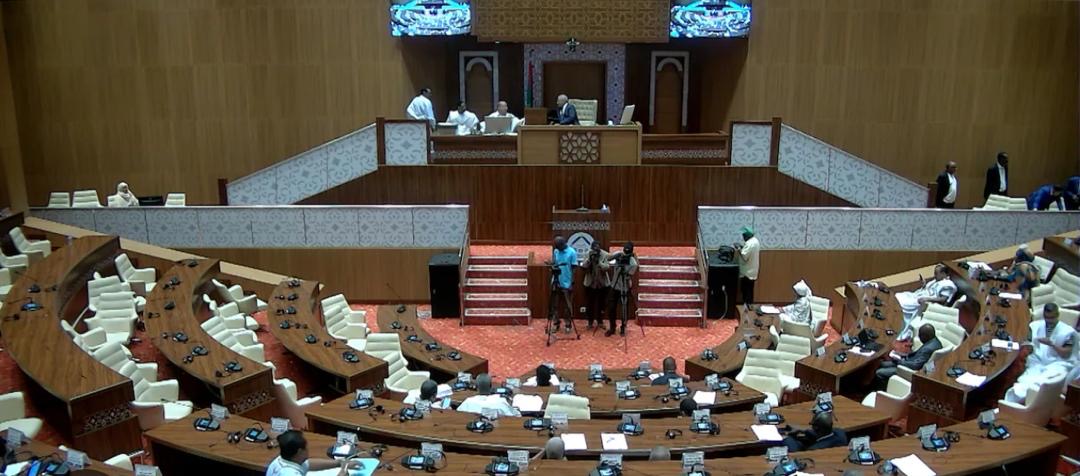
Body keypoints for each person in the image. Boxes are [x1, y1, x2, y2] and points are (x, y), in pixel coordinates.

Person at [1005, 303, 1076, 403]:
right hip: (1038, 361)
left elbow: (1066, 354)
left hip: (1058, 363)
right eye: (1047, 318)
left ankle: (1032, 401)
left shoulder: (1068, 332)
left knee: (1043, 381)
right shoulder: (1036, 326)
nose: (1049, 321)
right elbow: (1028, 341)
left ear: (1057, 315)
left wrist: (1052, 344)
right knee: (1026, 380)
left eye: (1052, 318)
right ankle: (1014, 399)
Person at [895, 264, 957, 337]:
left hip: (926, 302)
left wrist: (927, 299)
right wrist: (924, 284)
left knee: (901, 303)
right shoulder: (937, 280)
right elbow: (929, 290)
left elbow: (943, 299)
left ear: (943, 274)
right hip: (919, 295)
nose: (934, 275)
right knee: (898, 295)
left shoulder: (948, 285)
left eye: (936, 273)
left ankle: (897, 324)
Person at [875, 324, 941, 387]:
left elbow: (915, 366)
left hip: (909, 370)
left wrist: (899, 361)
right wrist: (902, 355)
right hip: (909, 362)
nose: (920, 338)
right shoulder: (935, 342)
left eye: (920, 336)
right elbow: (918, 356)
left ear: (926, 336)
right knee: (882, 364)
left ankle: (884, 389)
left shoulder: (928, 349)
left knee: (879, 372)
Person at [266, 430, 353, 476]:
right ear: (299, 451)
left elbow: (307, 464)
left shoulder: (281, 460)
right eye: (306, 447)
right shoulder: (290, 474)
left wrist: (339, 463)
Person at [606, 242, 638, 336]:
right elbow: (608, 259)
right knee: (611, 307)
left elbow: (631, 273)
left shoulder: (633, 262)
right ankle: (612, 327)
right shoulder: (619, 254)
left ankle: (623, 327)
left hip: (624, 286)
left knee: (624, 309)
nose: (625, 254)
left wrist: (624, 269)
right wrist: (616, 256)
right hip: (614, 285)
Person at [547, 236, 578, 334]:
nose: (557, 248)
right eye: (556, 246)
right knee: (554, 304)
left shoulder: (572, 252)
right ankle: (556, 323)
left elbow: (574, 268)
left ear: (563, 244)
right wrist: (550, 264)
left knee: (567, 305)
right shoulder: (556, 251)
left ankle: (568, 324)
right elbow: (555, 263)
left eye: (558, 246)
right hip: (556, 281)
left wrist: (571, 282)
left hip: (566, 282)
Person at [580, 241, 611, 330]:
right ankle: (590, 322)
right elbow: (584, 266)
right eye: (594, 249)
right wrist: (590, 259)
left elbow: (607, 267)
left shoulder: (604, 254)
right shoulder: (588, 254)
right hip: (590, 283)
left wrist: (599, 262)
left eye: (598, 249)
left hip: (602, 284)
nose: (596, 251)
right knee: (590, 304)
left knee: (602, 304)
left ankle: (600, 321)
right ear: (592, 248)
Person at [782, 412, 848, 452]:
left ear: (816, 428)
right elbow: (824, 431)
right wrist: (804, 430)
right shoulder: (841, 433)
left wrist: (787, 437)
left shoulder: (814, 449)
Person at [734, 226, 760, 310]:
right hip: (752, 270)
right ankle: (749, 304)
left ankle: (747, 306)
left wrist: (738, 248)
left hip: (747, 272)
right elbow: (747, 251)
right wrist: (742, 247)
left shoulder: (749, 243)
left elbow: (744, 256)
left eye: (744, 236)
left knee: (745, 290)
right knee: (750, 289)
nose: (743, 237)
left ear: (747, 235)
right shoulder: (755, 241)